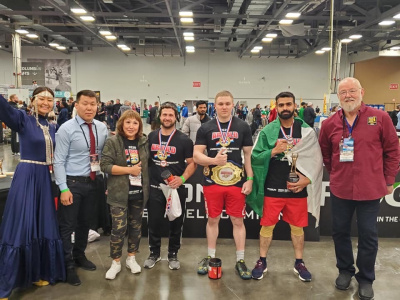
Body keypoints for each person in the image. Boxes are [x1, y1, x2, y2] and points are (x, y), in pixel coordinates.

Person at [319, 77, 399, 300]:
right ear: (338, 96)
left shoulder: (380, 118)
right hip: (341, 188)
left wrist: (389, 180)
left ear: (362, 92)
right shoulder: (328, 124)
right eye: (343, 92)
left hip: (370, 189)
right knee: (340, 232)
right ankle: (345, 270)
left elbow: (393, 151)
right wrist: (335, 172)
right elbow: (326, 153)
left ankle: (366, 278)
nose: (348, 96)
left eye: (352, 91)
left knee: (368, 235)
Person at [246, 91, 323, 282]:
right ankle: (262, 260)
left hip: (297, 189)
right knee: (266, 226)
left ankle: (299, 262)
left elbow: (316, 159)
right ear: (276, 107)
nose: (285, 108)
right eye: (281, 105)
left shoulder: (306, 130)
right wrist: (274, 151)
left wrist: (308, 180)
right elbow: (255, 157)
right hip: (273, 187)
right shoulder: (268, 131)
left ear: (295, 106)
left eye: (289, 104)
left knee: (297, 228)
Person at [0, 87, 65, 299]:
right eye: (42, 99)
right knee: (22, 225)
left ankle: (36, 273)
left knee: (42, 224)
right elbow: (3, 109)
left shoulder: (53, 126)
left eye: (49, 99)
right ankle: (6, 283)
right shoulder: (22, 119)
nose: (46, 102)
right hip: (27, 176)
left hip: (45, 178)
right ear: (33, 100)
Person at [194, 90, 254, 280]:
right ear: (215, 105)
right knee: (213, 219)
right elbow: (197, 155)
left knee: (238, 221)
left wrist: (250, 179)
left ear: (233, 105)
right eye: (220, 104)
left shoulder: (243, 126)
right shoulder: (206, 127)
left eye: (227, 103)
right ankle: (210, 257)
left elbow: (248, 156)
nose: (224, 107)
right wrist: (213, 161)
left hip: (237, 182)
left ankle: (240, 260)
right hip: (212, 182)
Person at [54, 89, 108, 286]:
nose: (89, 107)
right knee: (67, 226)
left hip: (93, 182)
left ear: (97, 106)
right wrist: (63, 188)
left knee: (85, 223)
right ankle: (67, 265)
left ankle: (79, 256)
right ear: (76, 105)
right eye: (85, 103)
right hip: (72, 183)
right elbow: (58, 161)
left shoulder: (101, 128)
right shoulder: (66, 129)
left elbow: (105, 157)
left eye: (93, 104)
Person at [144, 102, 196, 270]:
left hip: (175, 188)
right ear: (160, 116)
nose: (167, 118)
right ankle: (154, 253)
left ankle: (173, 254)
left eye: (170, 115)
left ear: (176, 117)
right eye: (164, 114)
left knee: (176, 222)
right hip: (155, 188)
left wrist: (182, 178)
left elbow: (192, 163)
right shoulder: (151, 137)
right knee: (154, 222)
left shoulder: (184, 140)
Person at [101, 110, 149, 280]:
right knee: (118, 229)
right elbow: (105, 166)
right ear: (121, 124)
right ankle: (115, 262)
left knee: (136, 228)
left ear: (139, 126)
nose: (131, 126)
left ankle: (131, 258)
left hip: (139, 193)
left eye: (135, 123)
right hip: (118, 194)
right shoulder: (113, 141)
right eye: (127, 122)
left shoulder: (144, 142)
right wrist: (129, 170)